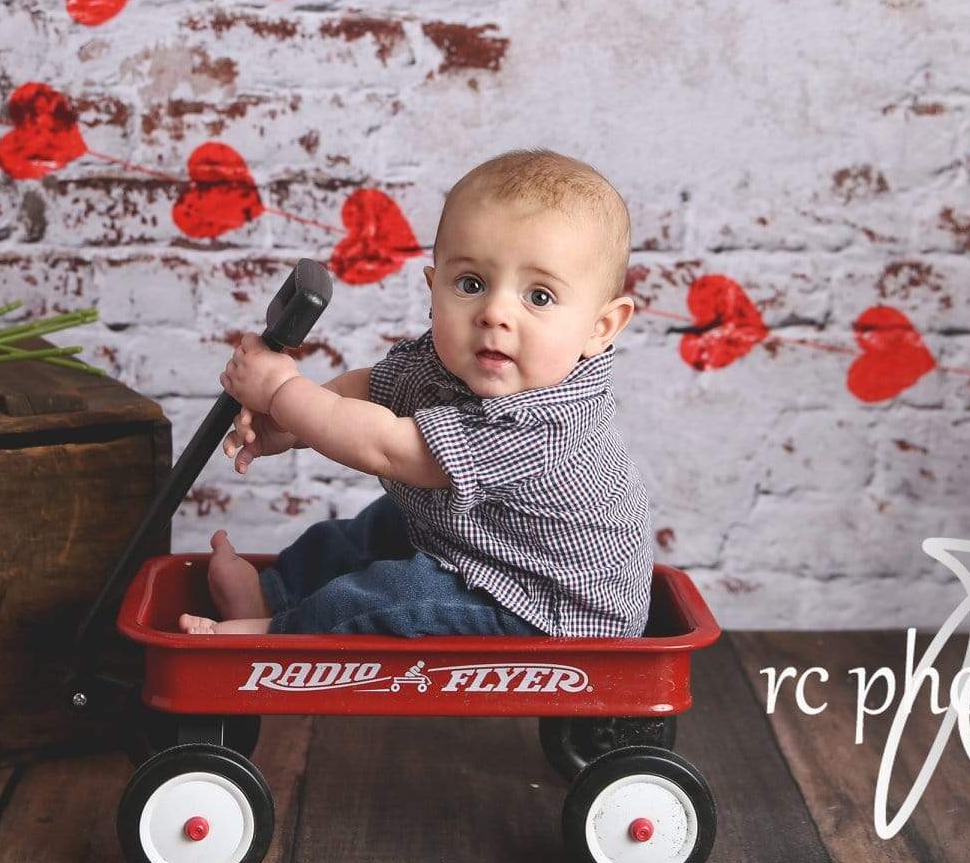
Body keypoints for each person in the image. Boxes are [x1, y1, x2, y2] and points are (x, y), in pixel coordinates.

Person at [178, 148, 654, 638]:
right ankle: (271, 594)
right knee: (375, 527)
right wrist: (290, 429)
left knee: (396, 597)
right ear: (434, 288)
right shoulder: (456, 359)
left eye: (539, 296)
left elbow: (389, 447)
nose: (494, 313)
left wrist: (282, 391)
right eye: (471, 283)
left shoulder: (546, 422)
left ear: (601, 327)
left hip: (544, 607)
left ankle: (273, 635)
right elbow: (371, 390)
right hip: (484, 545)